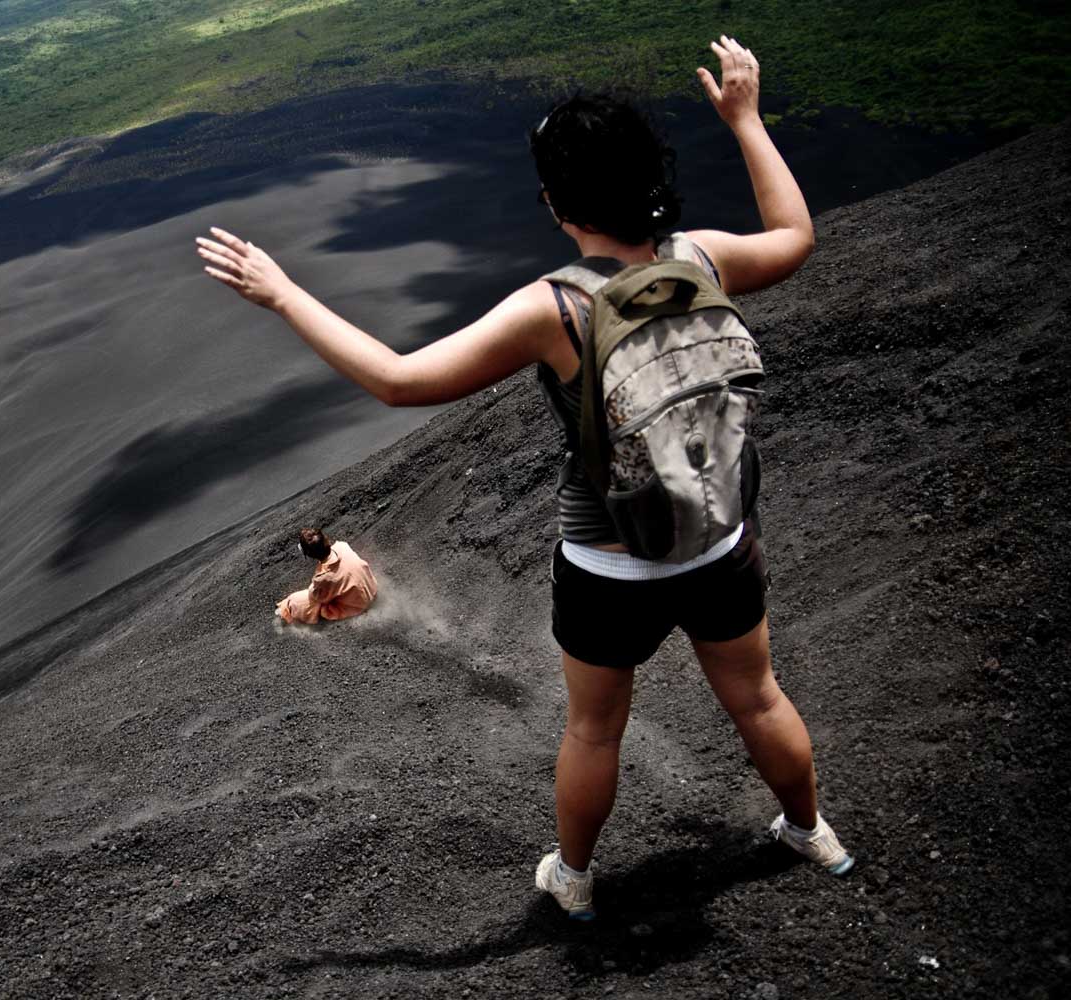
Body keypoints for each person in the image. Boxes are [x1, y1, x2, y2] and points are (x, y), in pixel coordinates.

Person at [197, 36, 851, 919]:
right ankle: (811, 833)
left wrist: (282, 293)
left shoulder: (555, 308)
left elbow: (398, 381)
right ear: (652, 180)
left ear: (556, 202)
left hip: (610, 562)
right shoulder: (702, 258)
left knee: (593, 728)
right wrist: (744, 119)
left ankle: (574, 880)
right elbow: (798, 236)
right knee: (758, 695)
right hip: (720, 533)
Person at [276, 528, 379, 625]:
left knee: (297, 601)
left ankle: (285, 611)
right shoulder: (342, 546)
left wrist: (314, 585)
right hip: (371, 590)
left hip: (358, 606)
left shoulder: (323, 578)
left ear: (308, 554)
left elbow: (317, 597)